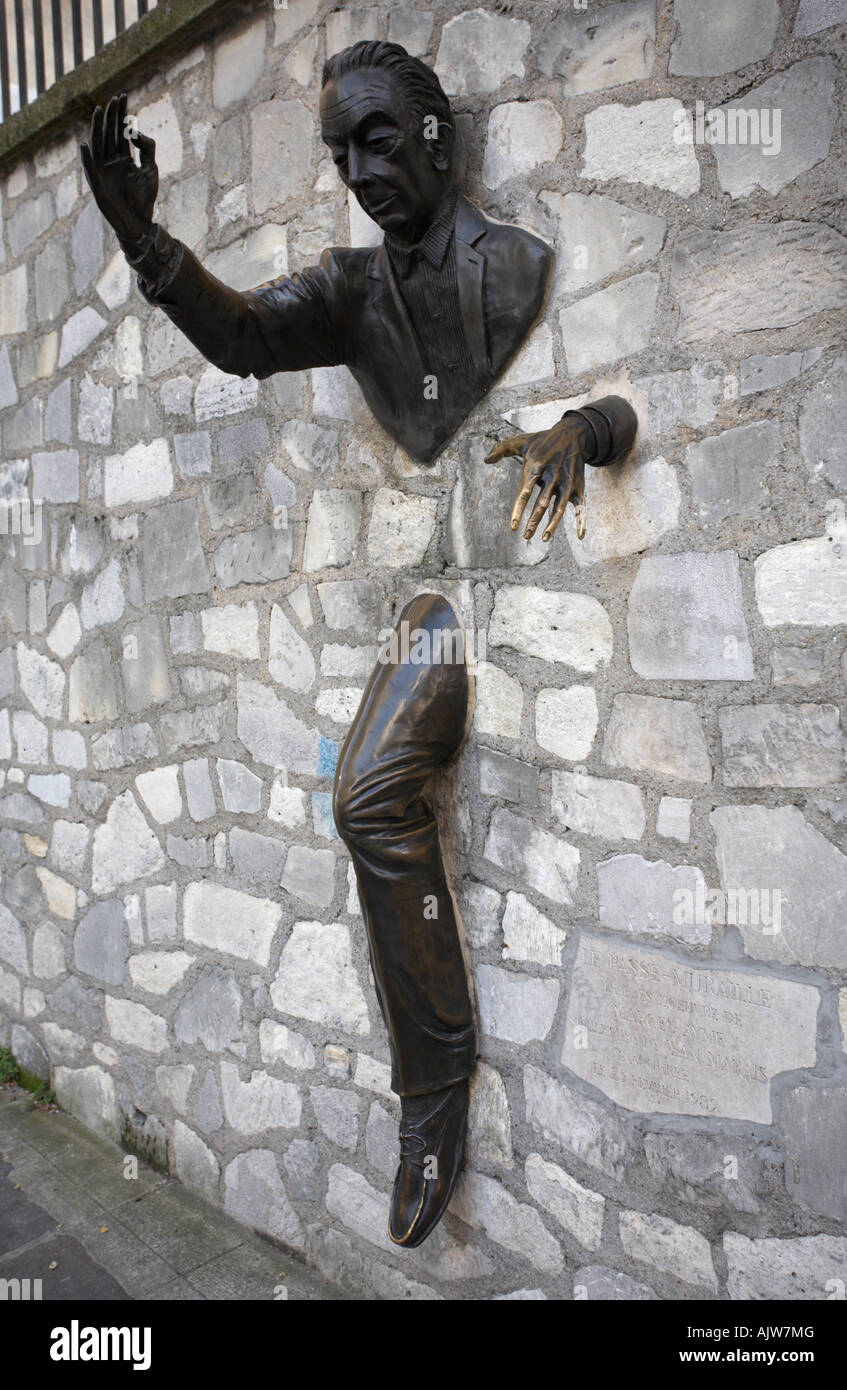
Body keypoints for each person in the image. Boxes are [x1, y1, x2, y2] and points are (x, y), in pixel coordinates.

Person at [80, 40, 636, 1248]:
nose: (359, 171)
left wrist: (581, 428)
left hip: (518, 606)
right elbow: (238, 335)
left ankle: (433, 1087)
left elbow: (629, 412)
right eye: (340, 154)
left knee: (367, 794)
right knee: (370, 794)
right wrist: (145, 244)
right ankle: (435, 1087)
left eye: (378, 140)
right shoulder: (350, 292)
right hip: (430, 604)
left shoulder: (519, 264)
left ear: (439, 134)